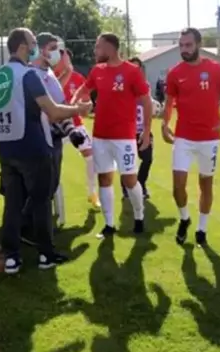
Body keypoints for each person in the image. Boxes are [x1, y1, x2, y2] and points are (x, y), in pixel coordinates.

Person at [0, 27, 91, 274]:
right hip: (33, 147)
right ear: (22, 46)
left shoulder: (0, 74)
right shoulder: (28, 75)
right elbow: (52, 110)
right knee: (42, 203)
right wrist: (78, 111)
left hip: (6, 149)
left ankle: (12, 258)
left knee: (12, 204)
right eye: (32, 42)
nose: (34, 47)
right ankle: (45, 255)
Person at [161, 28, 220, 247]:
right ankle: (185, 218)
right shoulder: (175, 73)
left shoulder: (215, 69)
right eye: (181, 45)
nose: (184, 49)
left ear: (198, 44)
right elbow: (168, 103)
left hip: (209, 138)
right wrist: (165, 124)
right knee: (178, 186)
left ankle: (202, 229)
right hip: (183, 137)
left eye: (188, 45)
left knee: (206, 185)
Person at [73, 33, 153, 238]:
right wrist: (76, 102)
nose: (95, 51)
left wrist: (145, 131)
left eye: (98, 47)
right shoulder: (97, 71)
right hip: (100, 136)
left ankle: (139, 215)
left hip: (124, 138)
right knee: (105, 179)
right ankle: (109, 225)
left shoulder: (132, 71)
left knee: (130, 180)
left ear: (110, 48)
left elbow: (146, 101)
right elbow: (84, 88)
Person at [55, 48, 99, 208]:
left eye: (64, 57)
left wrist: (83, 106)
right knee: (53, 162)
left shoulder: (78, 78)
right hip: (56, 125)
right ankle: (52, 197)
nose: (62, 61)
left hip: (75, 124)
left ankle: (92, 192)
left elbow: (87, 102)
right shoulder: (50, 76)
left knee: (91, 157)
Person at [121, 56, 154, 201]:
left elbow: (147, 106)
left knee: (147, 159)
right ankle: (127, 188)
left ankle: (141, 184)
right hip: (126, 131)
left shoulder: (145, 85)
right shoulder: (122, 85)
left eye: (137, 67)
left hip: (142, 129)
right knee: (128, 162)